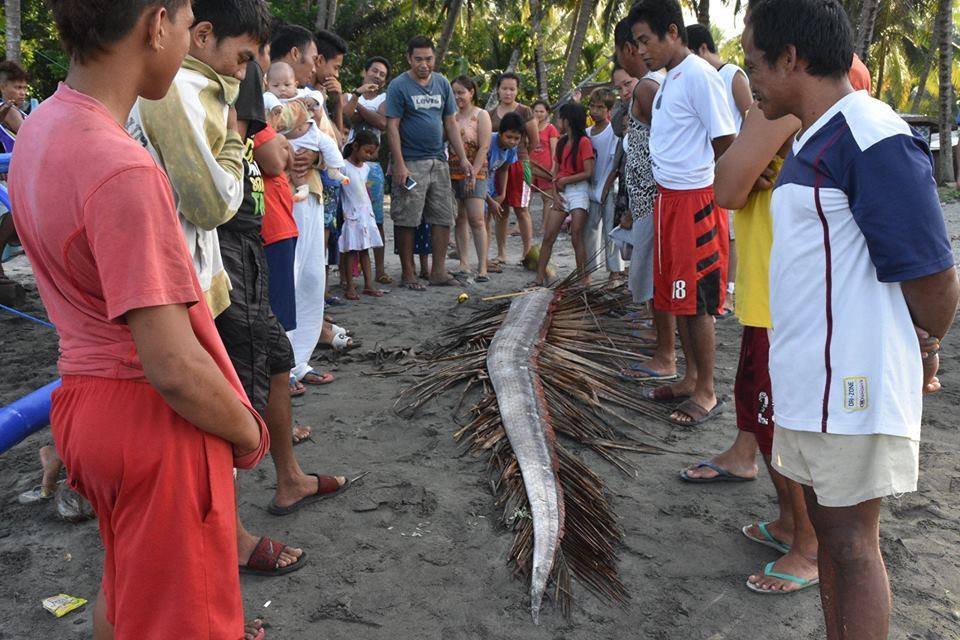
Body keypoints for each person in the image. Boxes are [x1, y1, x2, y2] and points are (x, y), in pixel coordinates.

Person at [9, 1, 270, 637]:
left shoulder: (41, 129)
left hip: (85, 402)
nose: (186, 39)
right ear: (155, 25)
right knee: (184, 617)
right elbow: (174, 366)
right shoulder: (121, 167)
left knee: (125, 590)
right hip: (150, 423)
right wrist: (247, 429)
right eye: (185, 23)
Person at [745, 1, 958, 635]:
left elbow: (933, 273)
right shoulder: (816, 136)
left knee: (849, 545)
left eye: (755, 63)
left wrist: (926, 341)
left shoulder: (869, 133)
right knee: (832, 542)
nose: (749, 78)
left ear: (791, 58)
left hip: (852, 384)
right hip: (814, 380)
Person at [628, 0, 736, 425]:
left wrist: (713, 195)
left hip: (695, 201)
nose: (641, 51)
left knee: (698, 303)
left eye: (646, 40)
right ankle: (690, 377)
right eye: (636, 43)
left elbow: (725, 141)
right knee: (677, 297)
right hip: (668, 200)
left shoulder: (699, 77)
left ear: (672, 32)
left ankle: (707, 391)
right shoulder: (669, 79)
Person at [613, 18, 675, 383]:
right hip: (648, 200)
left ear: (628, 50)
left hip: (655, 199)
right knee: (652, 274)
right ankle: (659, 339)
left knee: (657, 275)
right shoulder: (652, 87)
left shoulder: (648, 89)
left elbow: (666, 142)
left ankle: (665, 353)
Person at [385, 35, 473, 290]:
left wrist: (464, 158)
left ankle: (438, 271)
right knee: (407, 217)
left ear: (435, 58)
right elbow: (392, 127)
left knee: (443, 215)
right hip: (412, 162)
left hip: (439, 160)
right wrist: (400, 164)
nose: (424, 64)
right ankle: (409, 273)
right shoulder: (399, 86)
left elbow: (451, 123)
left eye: (429, 59)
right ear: (409, 59)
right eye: (419, 59)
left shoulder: (443, 83)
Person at [687, 22, 753, 315]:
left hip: (733, 165)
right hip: (710, 171)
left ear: (702, 48)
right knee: (717, 233)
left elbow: (751, 117)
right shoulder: (702, 79)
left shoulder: (732, 75)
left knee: (732, 236)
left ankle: (728, 292)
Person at [264, 61, 348, 201]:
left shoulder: (303, 93)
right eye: (276, 86)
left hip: (313, 145)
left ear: (294, 83)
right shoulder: (268, 97)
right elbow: (275, 119)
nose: (282, 89)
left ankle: (335, 169)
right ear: (295, 54)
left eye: (287, 85)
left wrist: (317, 157)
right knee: (295, 168)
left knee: (328, 144)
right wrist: (303, 108)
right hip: (286, 169)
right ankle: (302, 188)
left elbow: (336, 141)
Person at [534, 103, 594, 286]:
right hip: (562, 191)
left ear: (567, 120)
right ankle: (539, 278)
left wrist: (565, 181)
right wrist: (555, 193)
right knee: (548, 236)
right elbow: (555, 174)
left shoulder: (583, 142)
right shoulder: (561, 143)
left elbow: (588, 172)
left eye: (560, 118)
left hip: (579, 190)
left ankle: (583, 279)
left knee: (576, 234)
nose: (558, 121)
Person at [343, 56, 391, 283]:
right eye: (375, 71)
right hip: (348, 162)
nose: (378, 76)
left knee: (376, 217)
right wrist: (358, 97)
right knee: (348, 217)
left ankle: (380, 269)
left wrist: (358, 103)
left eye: (382, 74)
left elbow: (382, 122)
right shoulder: (349, 94)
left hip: (371, 166)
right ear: (365, 71)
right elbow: (345, 117)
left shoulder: (384, 97)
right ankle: (350, 273)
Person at [487, 72, 540, 265]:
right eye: (504, 88)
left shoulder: (525, 111)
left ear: (517, 90)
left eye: (512, 89)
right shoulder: (490, 114)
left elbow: (534, 140)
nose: (508, 92)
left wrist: (523, 157)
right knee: (501, 210)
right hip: (495, 167)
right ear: (498, 90)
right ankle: (501, 253)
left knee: (521, 209)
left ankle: (527, 252)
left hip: (519, 164)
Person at [449, 75, 492, 281]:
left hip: (477, 171)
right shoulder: (450, 116)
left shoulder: (481, 115)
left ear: (471, 92)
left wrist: (473, 173)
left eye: (461, 92)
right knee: (459, 219)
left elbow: (484, 146)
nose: (457, 97)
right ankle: (464, 263)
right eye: (454, 92)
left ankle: (482, 267)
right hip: (452, 171)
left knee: (477, 219)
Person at [584, 87, 624, 279]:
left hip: (608, 189)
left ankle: (614, 274)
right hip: (590, 189)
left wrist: (606, 189)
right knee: (589, 230)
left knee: (610, 231)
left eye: (600, 107)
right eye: (592, 106)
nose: (595, 111)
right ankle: (589, 272)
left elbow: (614, 165)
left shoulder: (613, 133)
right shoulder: (586, 133)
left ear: (609, 110)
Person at [339, 130, 385, 299]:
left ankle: (368, 284)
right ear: (356, 146)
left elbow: (363, 187)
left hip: (365, 212)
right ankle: (350, 286)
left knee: (365, 250)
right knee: (352, 250)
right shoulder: (343, 166)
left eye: (372, 153)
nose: (369, 156)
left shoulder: (365, 168)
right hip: (351, 213)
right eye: (367, 151)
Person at [485, 112, 525, 220]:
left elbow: (504, 169)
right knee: (481, 219)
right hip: (478, 181)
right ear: (500, 133)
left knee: (488, 217)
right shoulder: (488, 142)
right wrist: (490, 200)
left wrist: (502, 194)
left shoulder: (512, 149)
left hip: (490, 182)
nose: (512, 141)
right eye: (509, 137)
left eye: (516, 138)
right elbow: (478, 175)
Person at [529, 99, 559, 235]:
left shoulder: (551, 128)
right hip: (530, 165)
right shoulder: (529, 126)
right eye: (536, 111)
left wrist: (554, 167)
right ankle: (520, 226)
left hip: (545, 166)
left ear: (547, 113)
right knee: (525, 196)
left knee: (547, 198)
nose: (539, 114)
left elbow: (554, 149)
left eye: (542, 111)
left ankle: (544, 226)